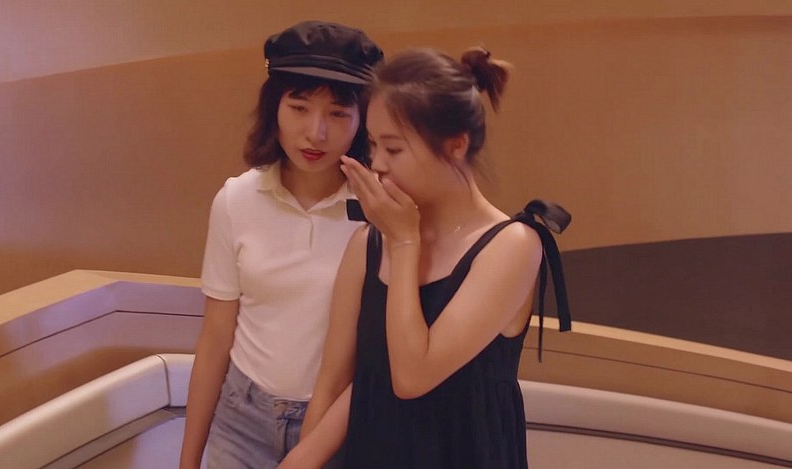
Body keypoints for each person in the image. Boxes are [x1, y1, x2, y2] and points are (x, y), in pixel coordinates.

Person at [281, 47, 572, 468]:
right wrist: (303, 458)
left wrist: (404, 242)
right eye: (373, 145)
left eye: (394, 149)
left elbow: (412, 376)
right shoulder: (368, 243)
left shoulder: (512, 245)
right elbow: (345, 381)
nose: (377, 164)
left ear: (456, 146)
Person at [178, 21, 383, 469]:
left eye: (338, 113)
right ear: (274, 108)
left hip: (340, 424)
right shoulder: (237, 199)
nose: (316, 133)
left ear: (363, 121)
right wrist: (189, 459)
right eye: (299, 107)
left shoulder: (383, 211)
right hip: (242, 416)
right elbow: (216, 336)